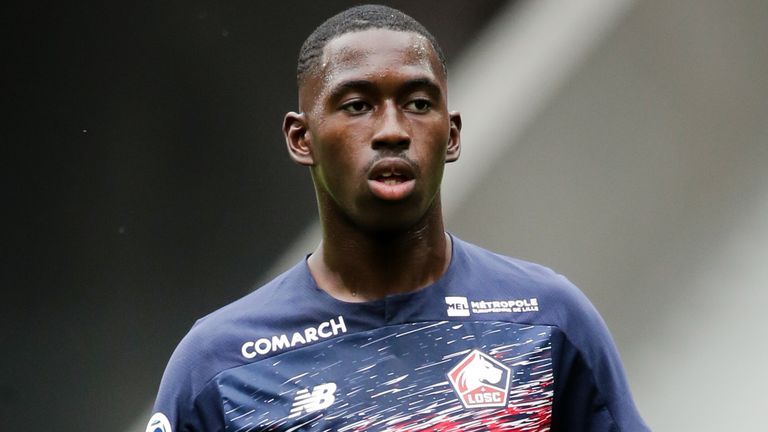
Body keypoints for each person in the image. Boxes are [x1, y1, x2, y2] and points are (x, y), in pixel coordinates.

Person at [147, 4, 649, 431]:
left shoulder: (546, 320)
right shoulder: (220, 365)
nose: (392, 130)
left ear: (451, 135)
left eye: (417, 103)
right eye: (358, 104)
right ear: (302, 139)